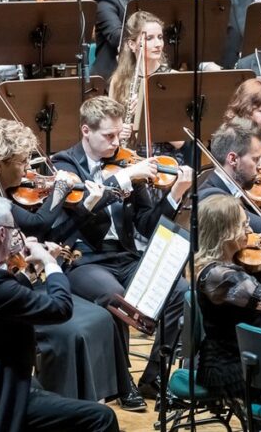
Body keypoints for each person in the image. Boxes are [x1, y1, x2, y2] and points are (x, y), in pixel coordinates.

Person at [0, 119, 140, 409]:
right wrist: (59, 190)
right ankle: (61, 402)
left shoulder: (11, 193)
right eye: (21, 161)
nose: (28, 168)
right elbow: (36, 225)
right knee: (73, 329)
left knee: (101, 318)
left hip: (27, 278)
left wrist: (84, 209)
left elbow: (45, 233)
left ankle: (92, 400)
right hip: (8, 291)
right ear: (0, 163)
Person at [50, 96, 193, 400]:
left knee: (180, 291)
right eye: (108, 136)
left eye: (118, 135)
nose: (116, 143)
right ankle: (121, 378)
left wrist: (174, 195)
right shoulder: (64, 163)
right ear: (85, 130)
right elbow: (80, 211)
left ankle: (155, 376)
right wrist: (125, 178)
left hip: (124, 255)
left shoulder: (126, 162)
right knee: (115, 298)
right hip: (84, 259)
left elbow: (146, 224)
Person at [0, 196, 119, 432]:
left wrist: (28, 273)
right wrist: (50, 263)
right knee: (100, 417)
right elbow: (60, 308)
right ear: (2, 233)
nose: (16, 238)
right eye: (14, 231)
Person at [194, 194, 261, 417]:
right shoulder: (216, 275)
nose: (250, 230)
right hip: (228, 366)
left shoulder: (233, 261)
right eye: (243, 225)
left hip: (245, 356)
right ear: (225, 232)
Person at [107, 11, 171, 149]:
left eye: (160, 37)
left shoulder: (172, 78)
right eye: (150, 38)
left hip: (165, 160)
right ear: (132, 44)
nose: (158, 44)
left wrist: (146, 113)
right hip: (128, 156)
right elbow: (107, 131)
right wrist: (119, 131)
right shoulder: (118, 81)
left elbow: (180, 142)